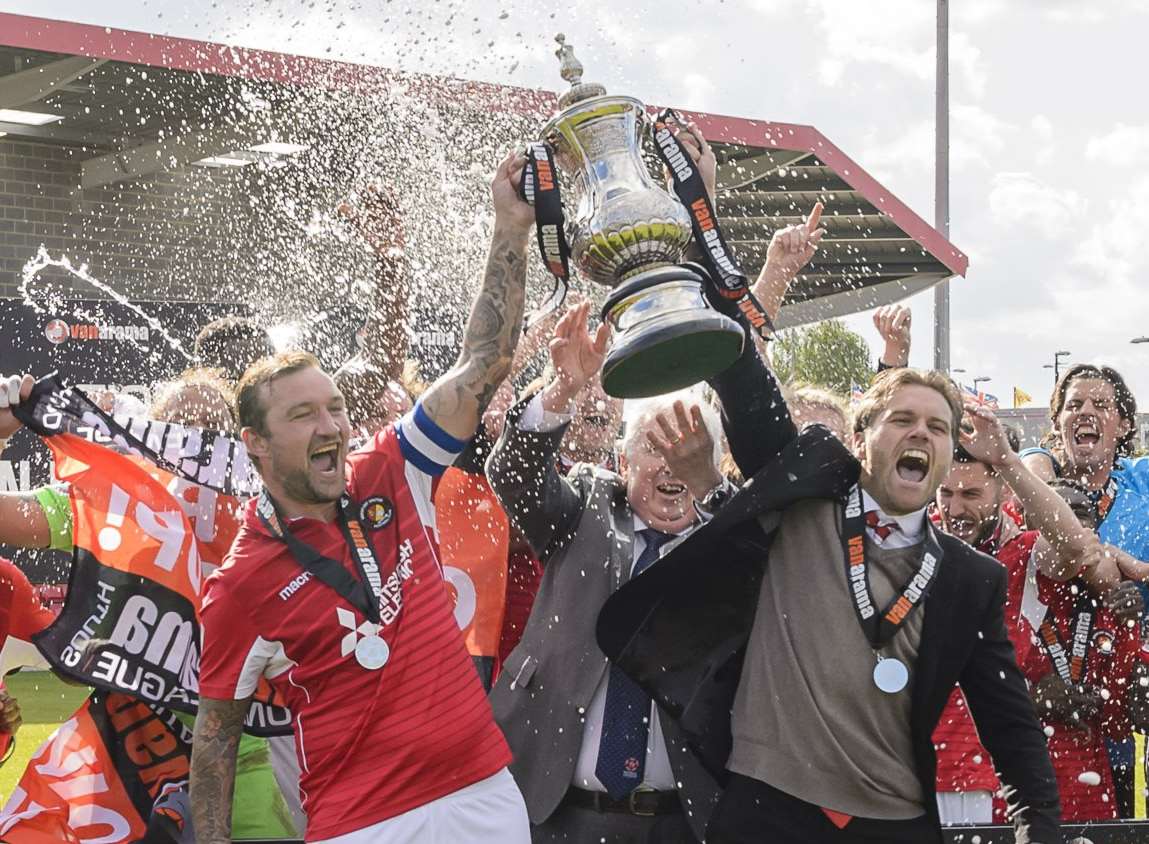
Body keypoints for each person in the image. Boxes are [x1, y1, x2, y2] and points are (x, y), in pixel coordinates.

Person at [190, 150, 535, 844]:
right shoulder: (242, 584)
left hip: (484, 793)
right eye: (302, 417)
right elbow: (215, 738)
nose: (331, 427)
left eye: (336, 408)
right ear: (254, 442)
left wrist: (511, 225)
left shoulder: (389, 471)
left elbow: (483, 364)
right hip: (365, 825)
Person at [598, 353, 1062, 842]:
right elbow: (751, 395)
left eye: (938, 427)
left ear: (947, 456)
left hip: (891, 823)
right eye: (901, 419)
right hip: (766, 811)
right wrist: (728, 301)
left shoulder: (971, 577)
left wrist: (1039, 830)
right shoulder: (800, 500)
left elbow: (1009, 725)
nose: (921, 433)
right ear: (860, 440)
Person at [0, 369, 302, 839]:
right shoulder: (116, 503)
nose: (194, 444)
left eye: (211, 433)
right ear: (147, 439)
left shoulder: (277, 502)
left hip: (254, 749)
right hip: (141, 746)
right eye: (178, 429)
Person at [486, 302, 729, 843]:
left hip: (686, 822)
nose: (672, 464)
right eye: (654, 447)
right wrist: (561, 392)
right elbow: (515, 475)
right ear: (622, 461)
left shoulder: (730, 544)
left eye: (692, 452)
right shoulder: (589, 507)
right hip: (555, 810)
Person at [931, 419, 1119, 824]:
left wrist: (1007, 460)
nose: (956, 509)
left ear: (1002, 490)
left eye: (971, 494)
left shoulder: (1025, 554)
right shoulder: (917, 540)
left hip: (990, 777)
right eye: (946, 493)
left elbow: (1078, 549)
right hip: (916, 770)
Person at [1019, 363, 1149, 813]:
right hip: (1038, 717)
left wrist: (1139, 590)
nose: (1086, 412)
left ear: (1125, 424)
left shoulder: (1141, 485)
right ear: (1057, 424)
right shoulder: (1031, 489)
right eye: (1074, 405)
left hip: (1116, 703)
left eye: (1101, 405)